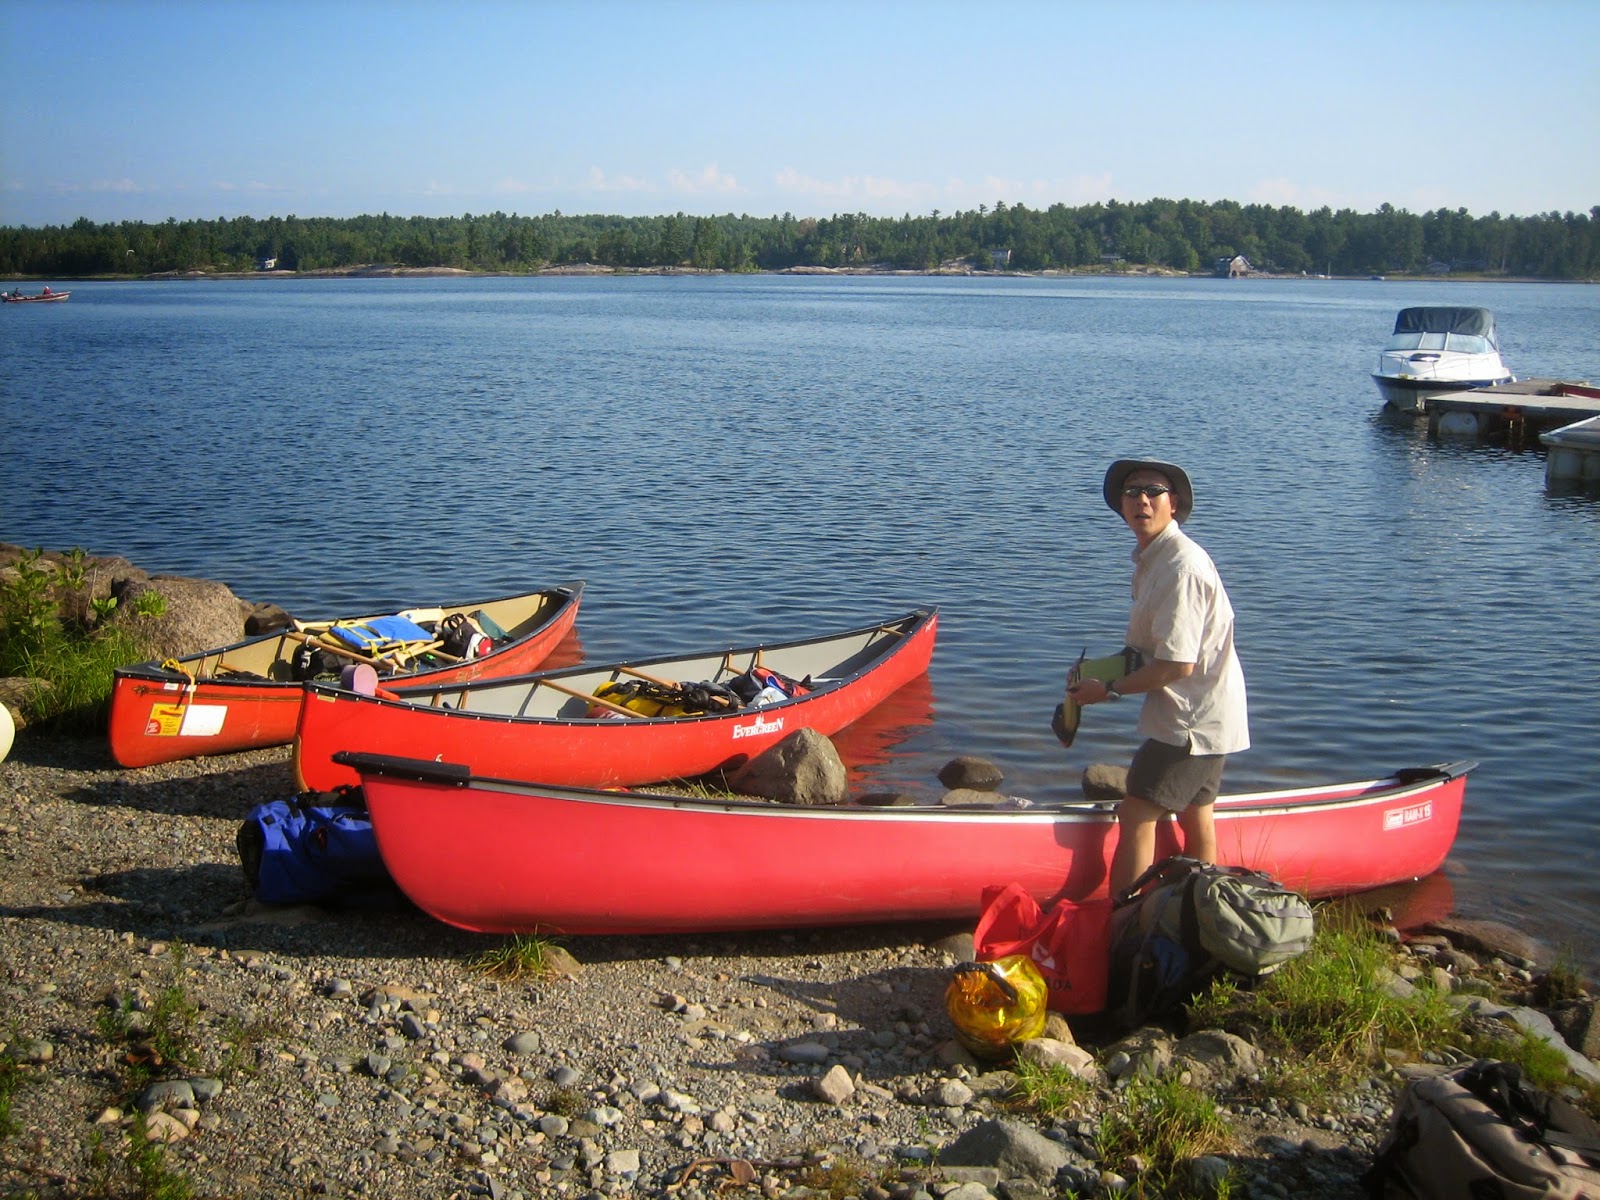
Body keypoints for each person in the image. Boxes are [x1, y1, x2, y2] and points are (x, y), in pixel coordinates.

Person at [1071, 458, 1249, 895]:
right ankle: (1202, 905)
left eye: (1153, 491)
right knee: (1196, 813)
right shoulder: (1154, 558)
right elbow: (1151, 651)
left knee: (1135, 815)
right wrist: (1096, 671)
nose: (1141, 500)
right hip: (1208, 714)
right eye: (1132, 492)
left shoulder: (1180, 569)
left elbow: (1177, 665)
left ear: (1174, 505)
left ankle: (1125, 918)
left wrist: (1107, 690)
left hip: (1188, 723)